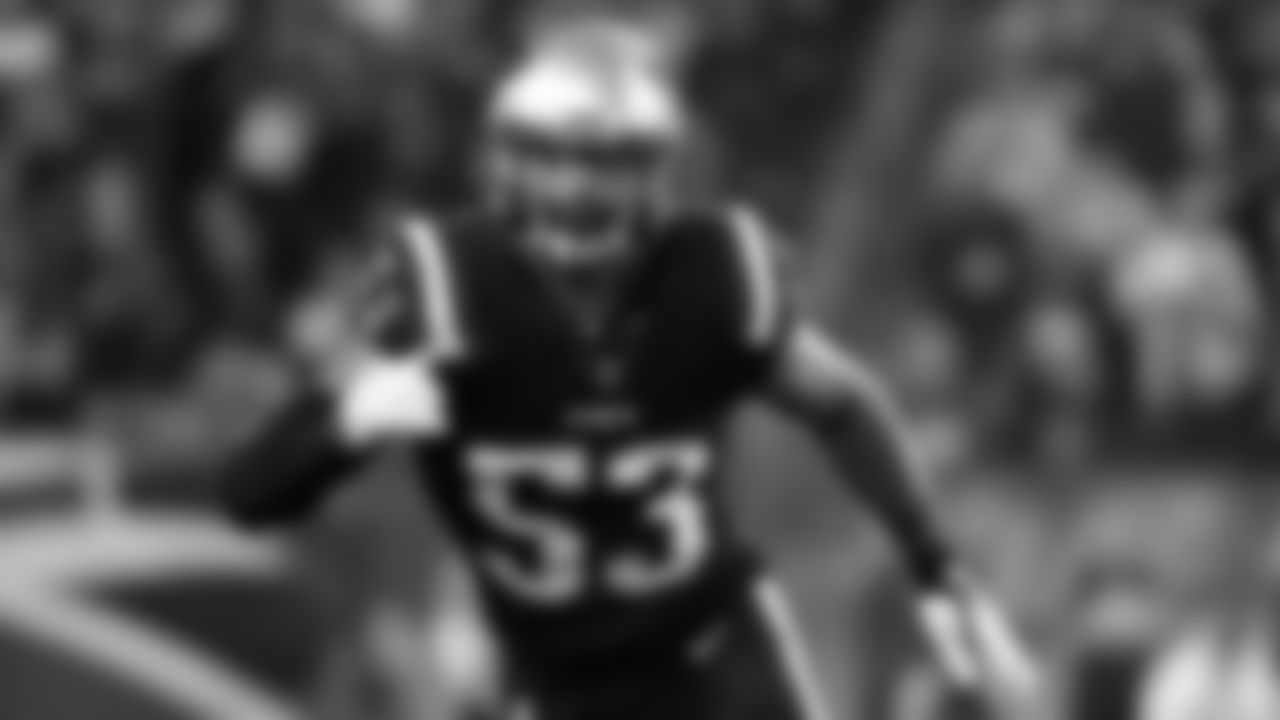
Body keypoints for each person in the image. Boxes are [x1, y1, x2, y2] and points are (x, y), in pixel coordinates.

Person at [219, 22, 1037, 720]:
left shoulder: (713, 277)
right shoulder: (441, 291)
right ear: (509, 165)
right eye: (552, 159)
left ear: (655, 172)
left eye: (606, 162)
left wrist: (934, 563)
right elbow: (250, 494)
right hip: (558, 683)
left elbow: (844, 404)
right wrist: (345, 423)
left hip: (716, 652)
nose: (576, 189)